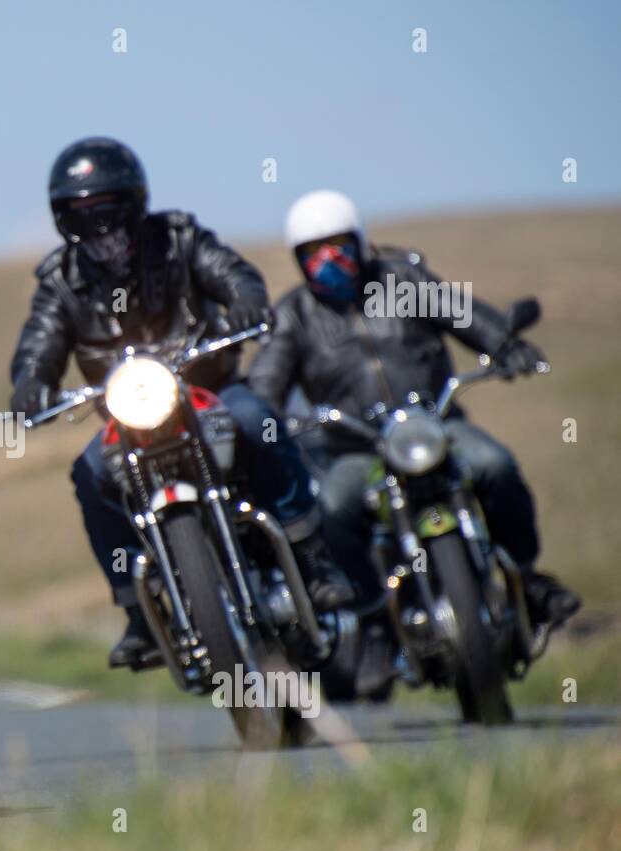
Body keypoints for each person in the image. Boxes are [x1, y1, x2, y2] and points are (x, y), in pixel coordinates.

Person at [10, 138, 352, 669]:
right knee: (89, 471)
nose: (98, 223)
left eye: (107, 206)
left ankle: (313, 559)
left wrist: (245, 304)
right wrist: (30, 382)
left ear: (134, 200)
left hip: (208, 387)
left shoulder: (178, 238)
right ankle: (139, 614)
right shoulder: (60, 281)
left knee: (254, 418)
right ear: (63, 217)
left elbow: (233, 274)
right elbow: (41, 340)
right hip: (130, 418)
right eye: (82, 212)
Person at [249, 189, 581, 671]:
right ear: (298, 261)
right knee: (334, 507)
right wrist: (264, 418)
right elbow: (267, 384)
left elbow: (462, 315)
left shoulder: (402, 280)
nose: (328, 260)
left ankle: (528, 581)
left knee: (495, 465)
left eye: (338, 245)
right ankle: (373, 618)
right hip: (358, 449)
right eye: (312, 252)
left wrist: (505, 344)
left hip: (435, 428)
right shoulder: (294, 315)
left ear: (360, 242)